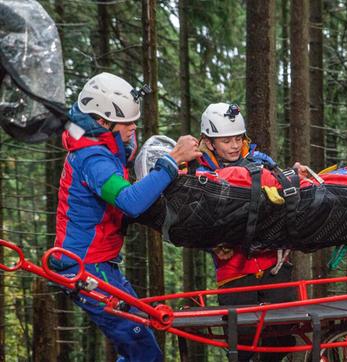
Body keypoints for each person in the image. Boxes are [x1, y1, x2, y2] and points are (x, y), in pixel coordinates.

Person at [52, 72, 201, 361]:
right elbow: (129, 202)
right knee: (142, 349)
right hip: (86, 268)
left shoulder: (100, 150)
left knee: (138, 345)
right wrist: (170, 162)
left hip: (99, 265)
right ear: (103, 122)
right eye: (128, 123)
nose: (134, 128)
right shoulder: (92, 159)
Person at [197, 102, 296, 362]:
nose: (233, 144)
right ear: (209, 142)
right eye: (226, 140)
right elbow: (194, 223)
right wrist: (211, 244)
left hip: (274, 265)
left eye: (237, 138)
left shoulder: (261, 164)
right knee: (241, 344)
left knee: (283, 338)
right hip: (235, 271)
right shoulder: (201, 175)